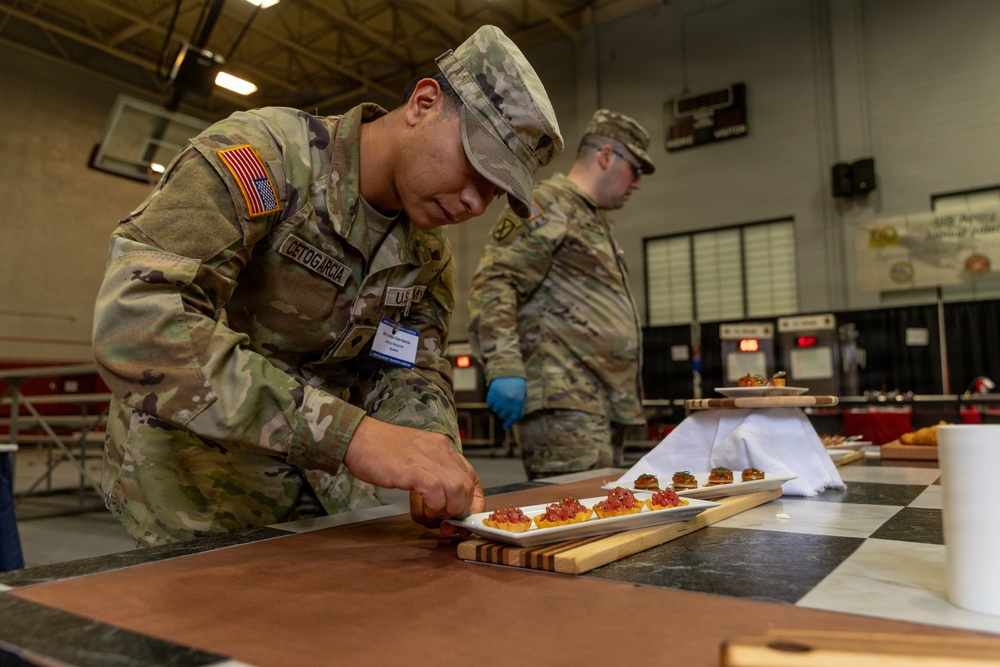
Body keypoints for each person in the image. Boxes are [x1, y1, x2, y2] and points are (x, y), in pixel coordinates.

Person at [92, 25, 563, 545]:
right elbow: (138, 320)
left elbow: (407, 366)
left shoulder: (427, 255)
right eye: (477, 166)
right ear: (424, 103)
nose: (476, 203)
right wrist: (354, 437)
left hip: (324, 500)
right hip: (194, 492)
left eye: (495, 191)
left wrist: (430, 446)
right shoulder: (266, 158)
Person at [467, 109, 654, 480]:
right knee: (574, 517)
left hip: (599, 404)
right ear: (605, 156)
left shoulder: (590, 219)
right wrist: (504, 367)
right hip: (564, 402)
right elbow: (495, 280)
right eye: (637, 169)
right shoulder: (550, 204)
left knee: (599, 521)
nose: (638, 183)